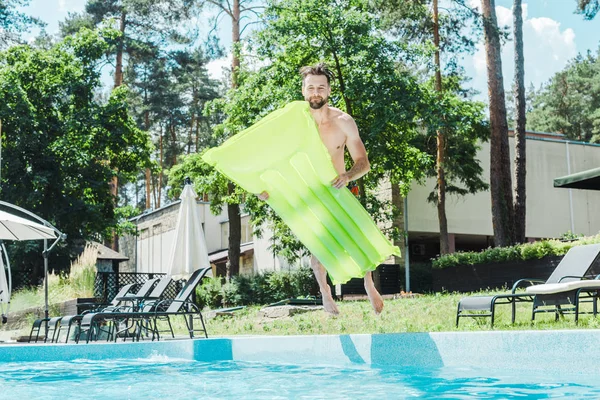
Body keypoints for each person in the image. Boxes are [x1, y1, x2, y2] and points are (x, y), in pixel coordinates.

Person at [258, 62, 384, 315]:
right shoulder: (293, 125)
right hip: (307, 195)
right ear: (303, 91)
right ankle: (326, 295)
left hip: (337, 189)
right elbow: (273, 158)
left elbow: (364, 162)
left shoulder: (344, 122)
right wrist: (266, 187)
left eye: (321, 88)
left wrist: (348, 175)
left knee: (357, 237)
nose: (316, 92)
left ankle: (369, 284)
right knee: (318, 248)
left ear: (328, 91)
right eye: (311, 87)